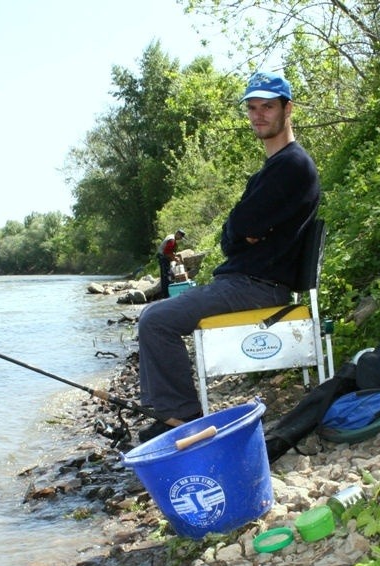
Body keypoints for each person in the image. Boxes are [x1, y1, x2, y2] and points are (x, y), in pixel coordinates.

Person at [136, 71, 321, 442]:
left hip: (256, 287)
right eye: (252, 108)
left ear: (288, 109)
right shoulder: (272, 170)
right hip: (245, 282)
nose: (258, 115)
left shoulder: (292, 166)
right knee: (157, 317)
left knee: (155, 319)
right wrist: (238, 231)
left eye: (267, 106)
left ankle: (181, 417)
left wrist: (239, 231)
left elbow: (242, 226)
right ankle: (176, 411)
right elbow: (233, 235)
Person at [156, 229, 185, 298]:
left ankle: (166, 294)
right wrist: (175, 258)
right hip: (163, 258)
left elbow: (170, 251)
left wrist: (173, 256)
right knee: (166, 276)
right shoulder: (171, 240)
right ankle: (166, 295)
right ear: (178, 234)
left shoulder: (171, 237)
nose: (180, 239)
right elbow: (167, 252)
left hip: (163, 258)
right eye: (180, 237)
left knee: (166, 276)